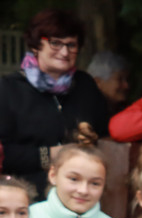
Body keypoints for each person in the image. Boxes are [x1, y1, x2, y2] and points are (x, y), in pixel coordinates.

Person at [0, 9, 109, 196]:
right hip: (26, 198)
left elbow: (106, 132)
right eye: (55, 43)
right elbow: (5, 155)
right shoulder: (8, 89)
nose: (65, 52)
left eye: (71, 45)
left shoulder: (85, 85)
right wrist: (52, 155)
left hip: (80, 195)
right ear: (36, 45)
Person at [85, 51, 130, 115]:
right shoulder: (86, 114)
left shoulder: (123, 111)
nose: (126, 86)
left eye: (127, 79)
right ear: (97, 83)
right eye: (119, 79)